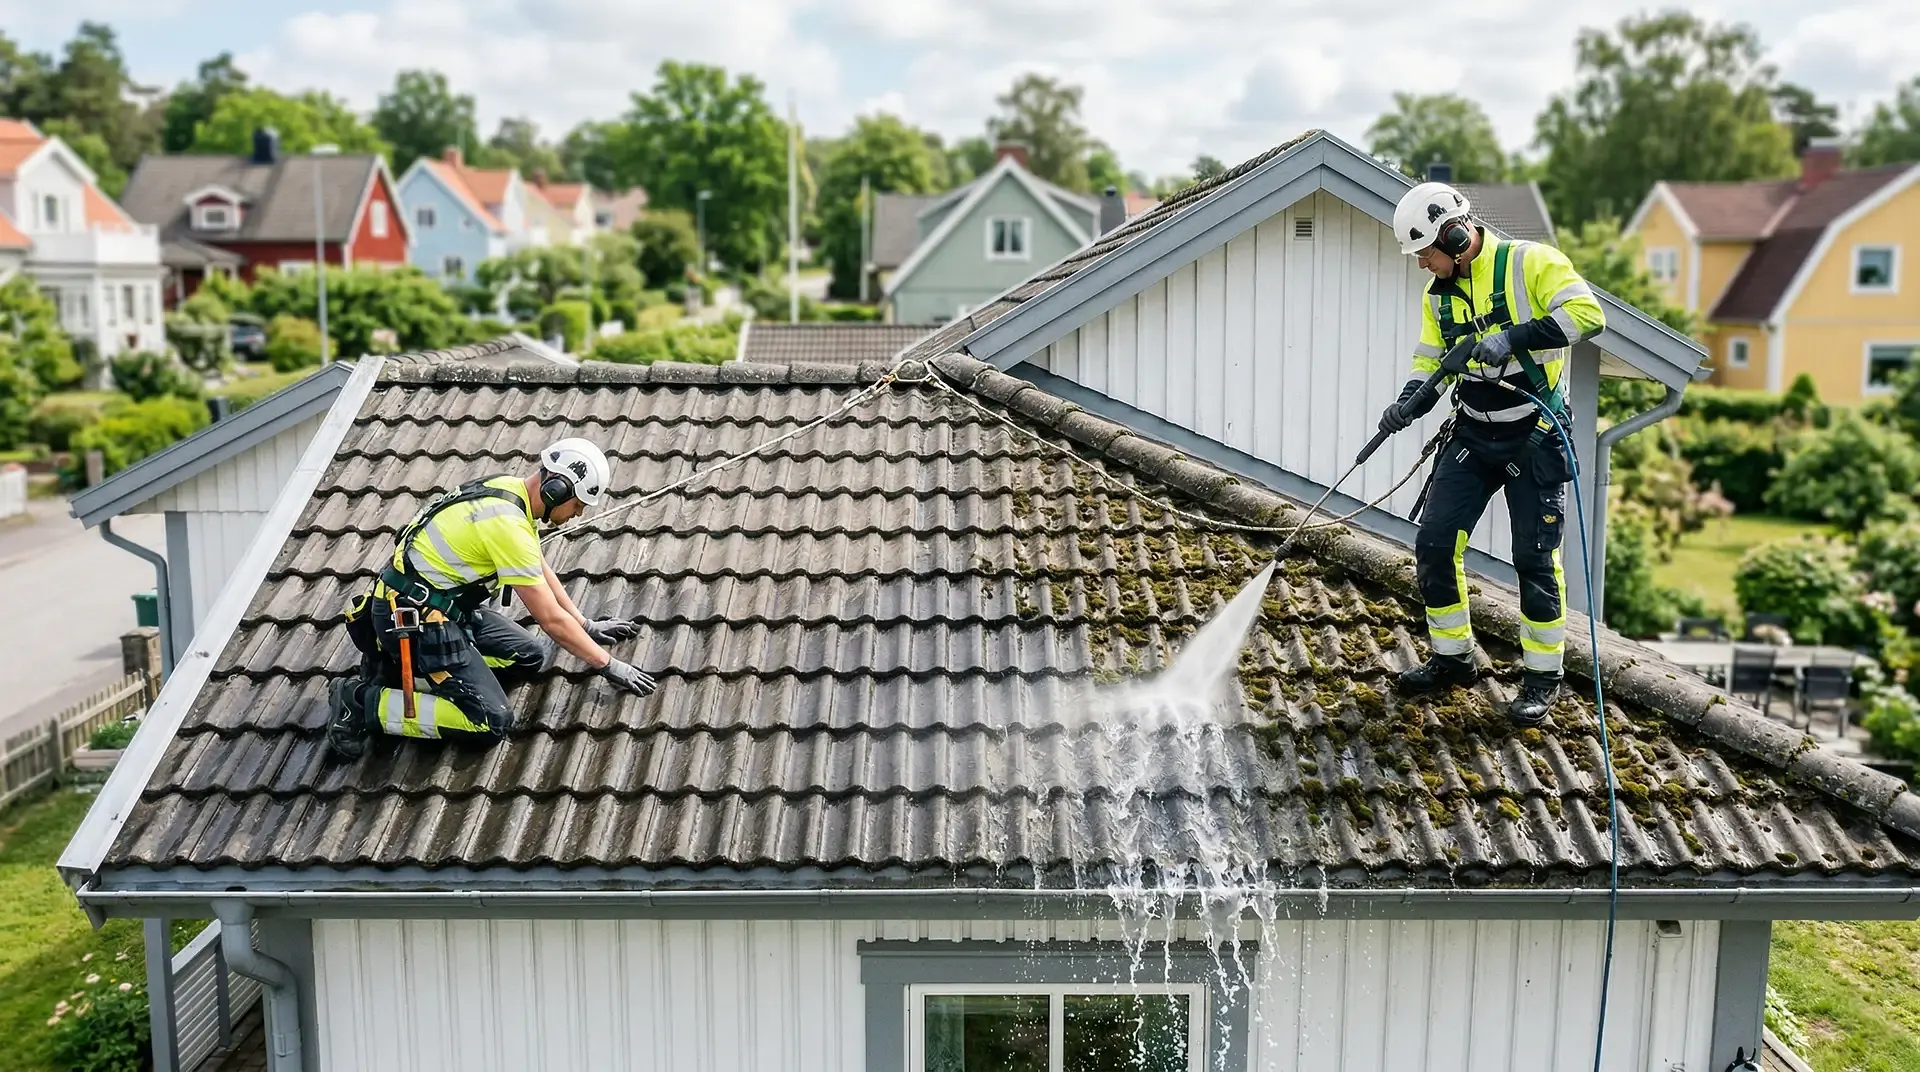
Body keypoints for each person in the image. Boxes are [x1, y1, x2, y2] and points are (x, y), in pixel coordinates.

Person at [1377, 181, 1605, 727]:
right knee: (1434, 543)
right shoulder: (1438, 294)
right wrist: (1409, 399)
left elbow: (1588, 314)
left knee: (1534, 558)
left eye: (1426, 254)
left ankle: (1542, 677)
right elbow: (1429, 356)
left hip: (1533, 433)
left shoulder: (1531, 263)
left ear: (1454, 236)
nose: (1422, 266)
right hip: (1472, 434)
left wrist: (1518, 337)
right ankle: (1454, 660)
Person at [326, 437, 659, 760]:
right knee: (490, 721)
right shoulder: (506, 524)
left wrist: (585, 624)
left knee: (529, 655)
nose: (578, 514)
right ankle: (361, 700)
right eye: (579, 504)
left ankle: (400, 670)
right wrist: (609, 665)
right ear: (557, 490)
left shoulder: (510, 492)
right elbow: (550, 620)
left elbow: (538, 568)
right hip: (413, 621)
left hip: (443, 610)